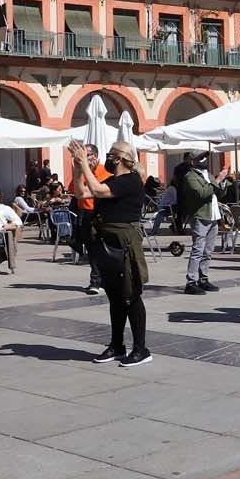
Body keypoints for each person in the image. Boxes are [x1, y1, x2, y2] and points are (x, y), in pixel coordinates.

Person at [68, 139, 152, 367]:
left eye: (110, 155)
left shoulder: (130, 181)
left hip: (124, 241)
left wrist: (85, 162)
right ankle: (117, 345)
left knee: (131, 294)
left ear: (121, 159)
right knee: (114, 295)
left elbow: (95, 189)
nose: (107, 159)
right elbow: (82, 193)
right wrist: (77, 169)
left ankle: (141, 348)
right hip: (107, 240)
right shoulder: (114, 180)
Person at [179, 151, 228, 295]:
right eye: (201, 157)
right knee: (198, 250)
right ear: (193, 161)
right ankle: (191, 281)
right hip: (201, 216)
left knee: (208, 250)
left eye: (205, 156)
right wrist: (218, 180)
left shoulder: (208, 174)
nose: (204, 159)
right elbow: (201, 193)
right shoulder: (190, 176)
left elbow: (219, 193)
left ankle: (203, 278)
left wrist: (223, 181)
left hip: (213, 215)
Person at [73, 144, 109, 293]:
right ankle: (96, 280)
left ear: (94, 156)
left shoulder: (103, 171)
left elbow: (99, 189)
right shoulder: (81, 171)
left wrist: (88, 171)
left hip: (99, 213)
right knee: (91, 248)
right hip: (85, 213)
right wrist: (78, 170)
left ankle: (99, 280)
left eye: (86, 155)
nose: (84, 158)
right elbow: (75, 190)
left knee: (101, 248)